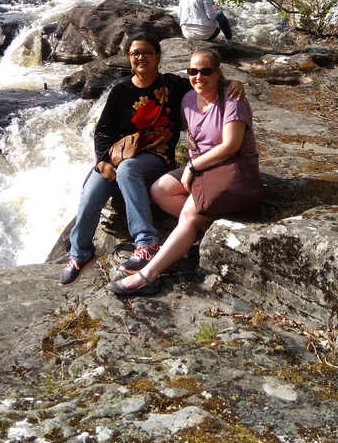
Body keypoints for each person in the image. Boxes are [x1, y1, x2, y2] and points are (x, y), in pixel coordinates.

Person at [60, 34, 245, 286]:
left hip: (155, 158)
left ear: (158, 57)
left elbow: (205, 81)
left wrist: (234, 82)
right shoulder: (120, 89)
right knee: (91, 192)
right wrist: (102, 160)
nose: (141, 58)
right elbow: (103, 130)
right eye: (135, 53)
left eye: (147, 52)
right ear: (129, 59)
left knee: (128, 169)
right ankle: (80, 253)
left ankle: (146, 243)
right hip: (118, 155)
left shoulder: (173, 85)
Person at [107, 47, 264, 296]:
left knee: (189, 215)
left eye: (205, 71)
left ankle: (148, 276)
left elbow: (230, 146)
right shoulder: (189, 98)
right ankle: (206, 228)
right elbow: (164, 118)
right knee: (160, 190)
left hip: (231, 167)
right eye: (193, 71)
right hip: (203, 168)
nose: (198, 76)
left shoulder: (233, 99)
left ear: (218, 72)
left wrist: (192, 167)